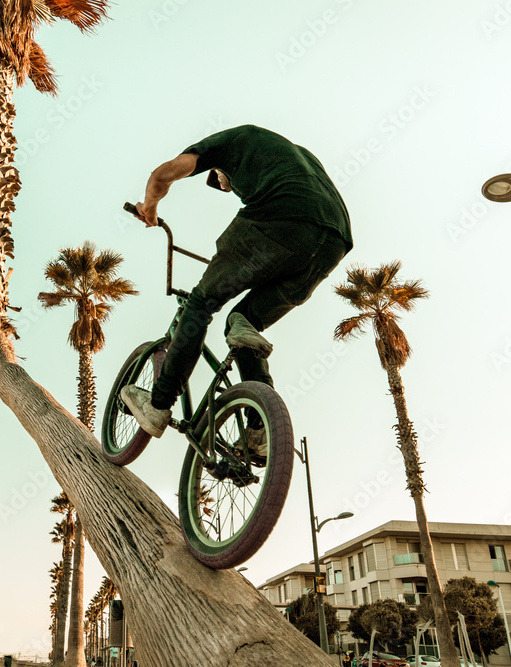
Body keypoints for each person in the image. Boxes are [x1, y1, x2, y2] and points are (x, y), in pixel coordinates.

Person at [123, 125, 352, 448]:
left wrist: (149, 208)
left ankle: (158, 406)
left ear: (217, 166)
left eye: (218, 180)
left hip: (280, 217)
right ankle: (259, 430)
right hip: (333, 243)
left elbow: (162, 175)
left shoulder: (221, 145)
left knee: (202, 302)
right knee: (244, 320)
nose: (223, 187)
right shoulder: (294, 156)